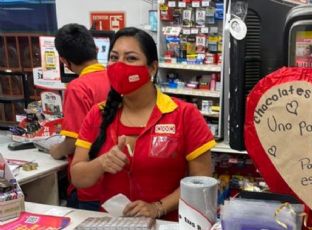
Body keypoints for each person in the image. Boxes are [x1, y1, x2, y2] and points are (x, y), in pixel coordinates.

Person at [70, 27, 215, 221]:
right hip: (113, 224)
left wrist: (158, 207)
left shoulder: (183, 115)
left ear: (152, 67)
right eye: (114, 57)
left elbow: (201, 181)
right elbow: (78, 178)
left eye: (131, 58)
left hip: (166, 224)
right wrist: (101, 163)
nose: (119, 65)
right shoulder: (98, 114)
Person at [50, 23, 110, 211]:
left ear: (63, 60)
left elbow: (72, 142)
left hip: (89, 185)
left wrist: (55, 151)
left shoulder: (78, 87)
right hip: (116, 182)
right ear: (97, 49)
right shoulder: (116, 79)